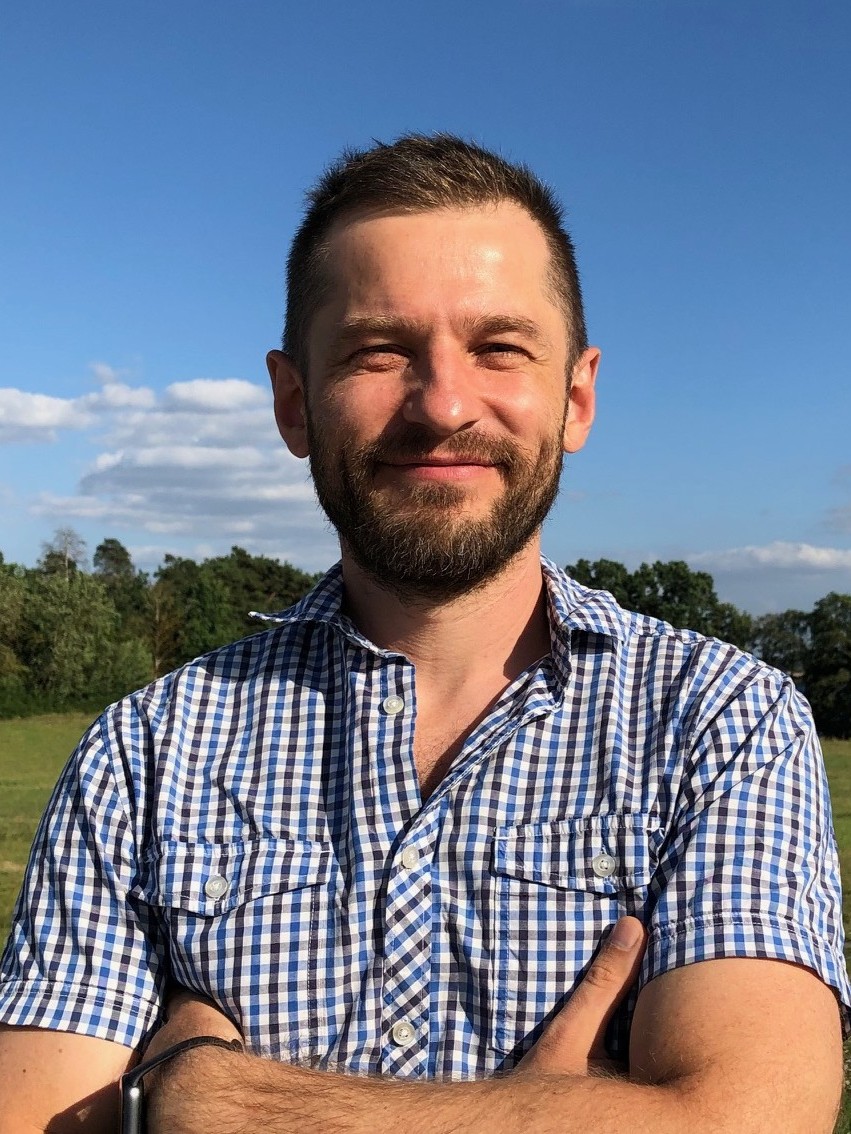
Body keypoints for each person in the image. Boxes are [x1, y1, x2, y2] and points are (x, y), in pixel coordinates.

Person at [0, 133, 848, 1133]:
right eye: (379, 351)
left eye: (499, 348)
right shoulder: (145, 753)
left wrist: (202, 1098)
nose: (443, 405)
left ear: (575, 397)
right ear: (293, 404)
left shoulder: (719, 721)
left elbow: (750, 1118)